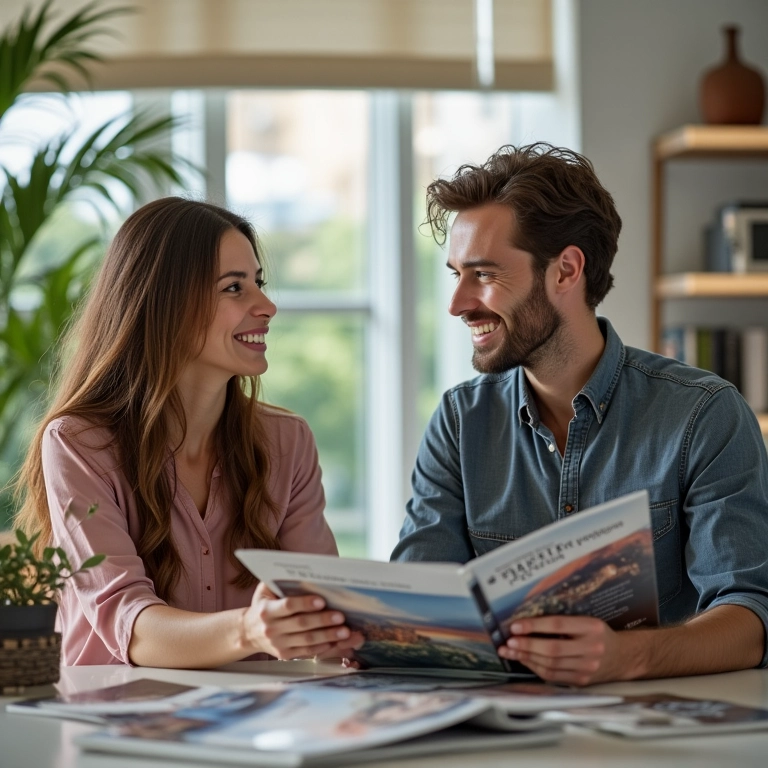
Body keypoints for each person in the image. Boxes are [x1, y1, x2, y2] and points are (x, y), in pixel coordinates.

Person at [391, 143, 768, 686]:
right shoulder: (459, 421)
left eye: (484, 275)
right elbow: (418, 605)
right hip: (500, 726)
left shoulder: (704, 415)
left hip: (659, 729)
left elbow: (752, 617)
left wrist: (628, 657)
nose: (458, 303)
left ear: (565, 270)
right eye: (456, 274)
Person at [15, 197, 363, 667]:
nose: (268, 305)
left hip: (252, 728)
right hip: (116, 726)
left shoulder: (288, 443)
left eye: (258, 283)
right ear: (166, 303)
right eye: (234, 288)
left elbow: (326, 617)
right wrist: (250, 629)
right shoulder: (78, 445)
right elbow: (130, 625)